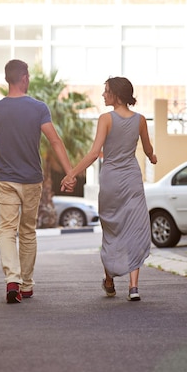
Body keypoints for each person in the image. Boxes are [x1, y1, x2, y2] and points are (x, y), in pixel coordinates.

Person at [0, 59, 76, 304]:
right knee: (27, 232)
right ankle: (27, 285)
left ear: (6, 79)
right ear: (24, 78)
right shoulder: (38, 108)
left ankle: (13, 279)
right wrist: (70, 173)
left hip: (7, 180)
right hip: (33, 180)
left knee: (6, 230)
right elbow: (55, 141)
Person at [61, 77, 157, 301]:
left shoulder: (105, 119)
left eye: (106, 91)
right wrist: (152, 157)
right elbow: (148, 148)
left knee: (112, 228)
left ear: (116, 95)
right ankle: (133, 288)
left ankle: (109, 280)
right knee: (134, 228)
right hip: (132, 179)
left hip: (111, 179)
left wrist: (71, 174)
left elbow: (95, 153)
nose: (103, 95)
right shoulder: (141, 120)